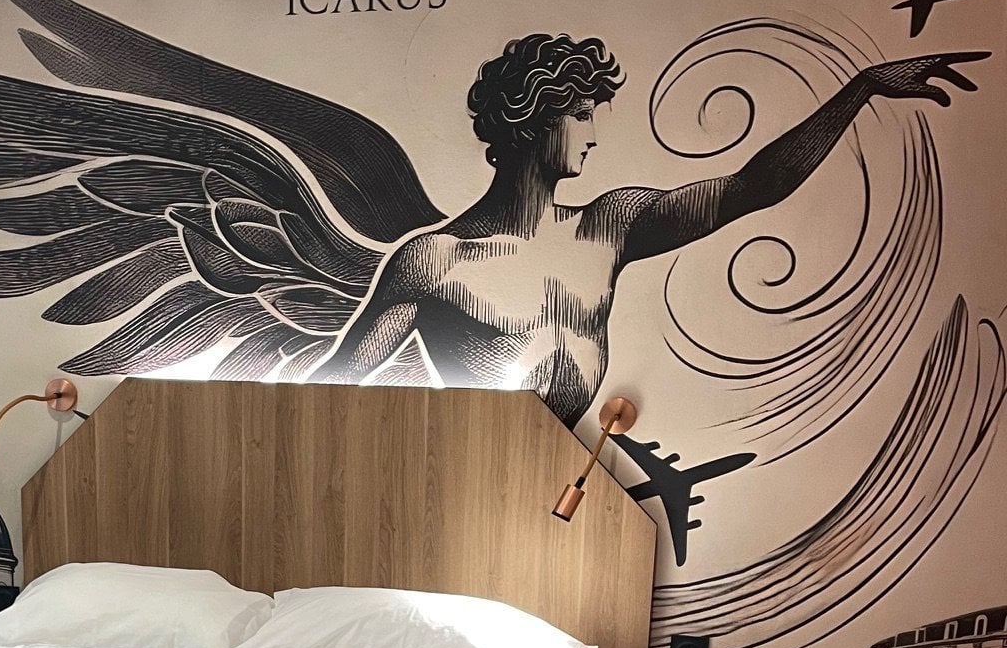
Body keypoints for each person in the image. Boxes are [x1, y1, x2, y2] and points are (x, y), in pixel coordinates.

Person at [313, 31, 987, 425]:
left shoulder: (610, 224)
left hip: (575, 471)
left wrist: (861, 88)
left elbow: (754, 187)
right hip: (475, 481)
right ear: (535, 120)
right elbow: (323, 399)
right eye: (582, 115)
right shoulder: (436, 261)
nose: (593, 136)